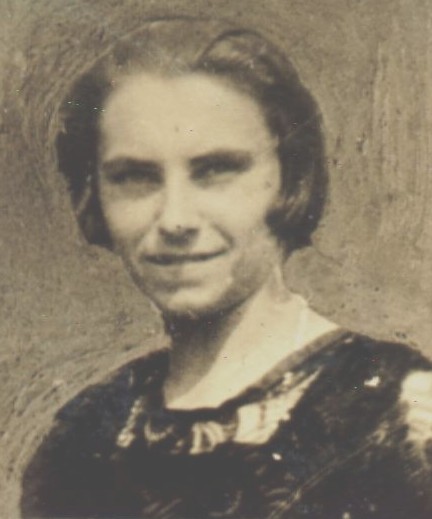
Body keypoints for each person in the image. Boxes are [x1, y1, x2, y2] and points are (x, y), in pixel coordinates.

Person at [21, 17, 432, 519]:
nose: (175, 219)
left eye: (216, 170)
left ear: (289, 181)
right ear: (96, 197)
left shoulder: (397, 416)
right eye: (135, 177)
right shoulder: (82, 441)